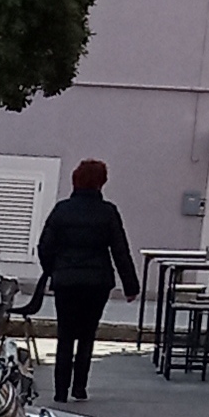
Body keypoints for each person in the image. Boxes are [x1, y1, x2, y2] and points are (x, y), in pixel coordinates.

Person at [34, 159, 140, 403]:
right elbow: (120, 250)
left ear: (75, 180)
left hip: (66, 281)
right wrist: (130, 285)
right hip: (97, 281)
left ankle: (60, 391)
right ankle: (79, 387)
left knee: (65, 334)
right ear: (102, 182)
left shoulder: (61, 210)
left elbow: (44, 246)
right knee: (87, 334)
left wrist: (53, 270)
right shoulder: (108, 212)